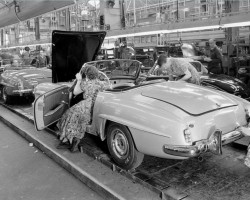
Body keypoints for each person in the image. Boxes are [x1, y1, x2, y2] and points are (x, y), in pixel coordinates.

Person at [56, 64, 111, 152]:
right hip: (96, 107)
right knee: (78, 120)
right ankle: (73, 141)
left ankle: (68, 140)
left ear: (86, 74)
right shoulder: (101, 83)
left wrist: (79, 80)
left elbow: (75, 92)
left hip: (85, 106)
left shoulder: (85, 83)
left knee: (68, 116)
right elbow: (109, 87)